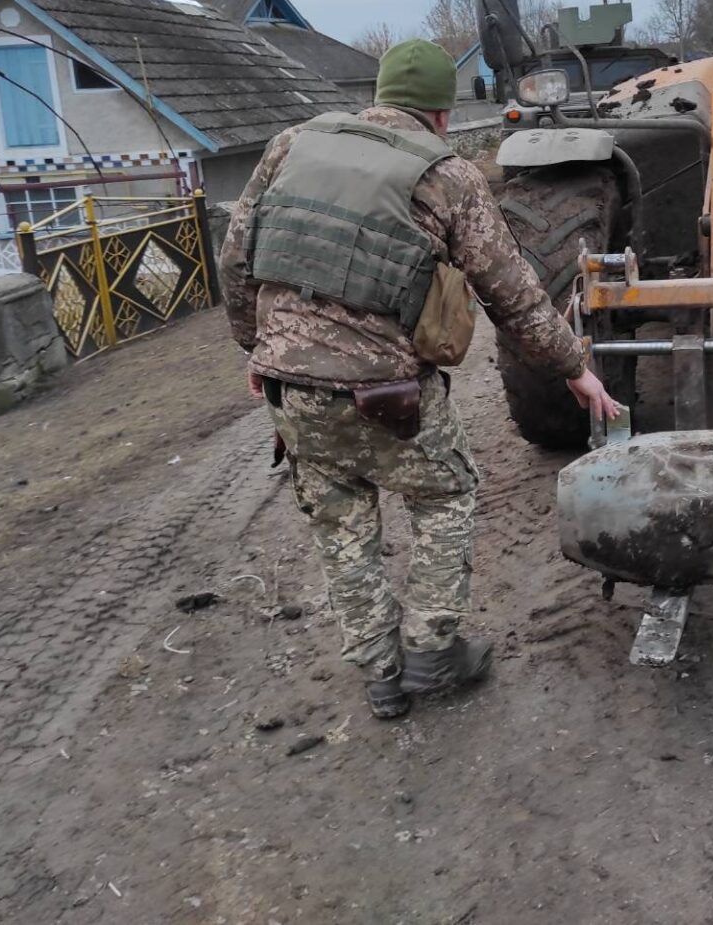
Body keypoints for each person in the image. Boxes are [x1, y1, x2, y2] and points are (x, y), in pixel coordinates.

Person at [220, 38, 620, 720]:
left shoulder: (291, 144)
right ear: (441, 114)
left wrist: (257, 348)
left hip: (293, 387)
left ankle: (380, 673)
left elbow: (236, 259)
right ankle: (432, 650)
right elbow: (514, 294)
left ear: (378, 97)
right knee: (445, 496)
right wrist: (573, 369)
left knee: (339, 520)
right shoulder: (450, 175)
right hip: (389, 394)